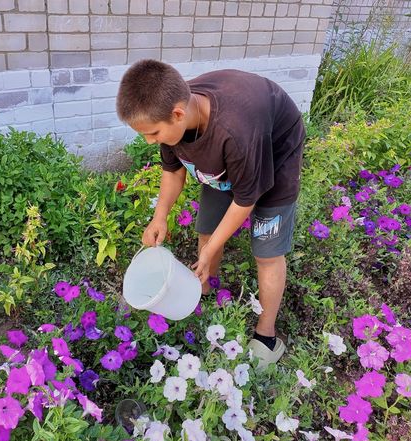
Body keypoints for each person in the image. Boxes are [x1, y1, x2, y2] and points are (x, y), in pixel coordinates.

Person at [116, 59, 305, 368]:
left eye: (153, 133)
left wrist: (212, 248)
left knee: (267, 253)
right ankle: (204, 289)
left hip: (274, 153)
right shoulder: (171, 115)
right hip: (230, 159)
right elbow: (173, 171)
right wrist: (159, 217)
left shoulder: (236, 132)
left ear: (178, 114)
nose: (149, 141)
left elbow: (245, 201)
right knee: (207, 230)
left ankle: (267, 336)